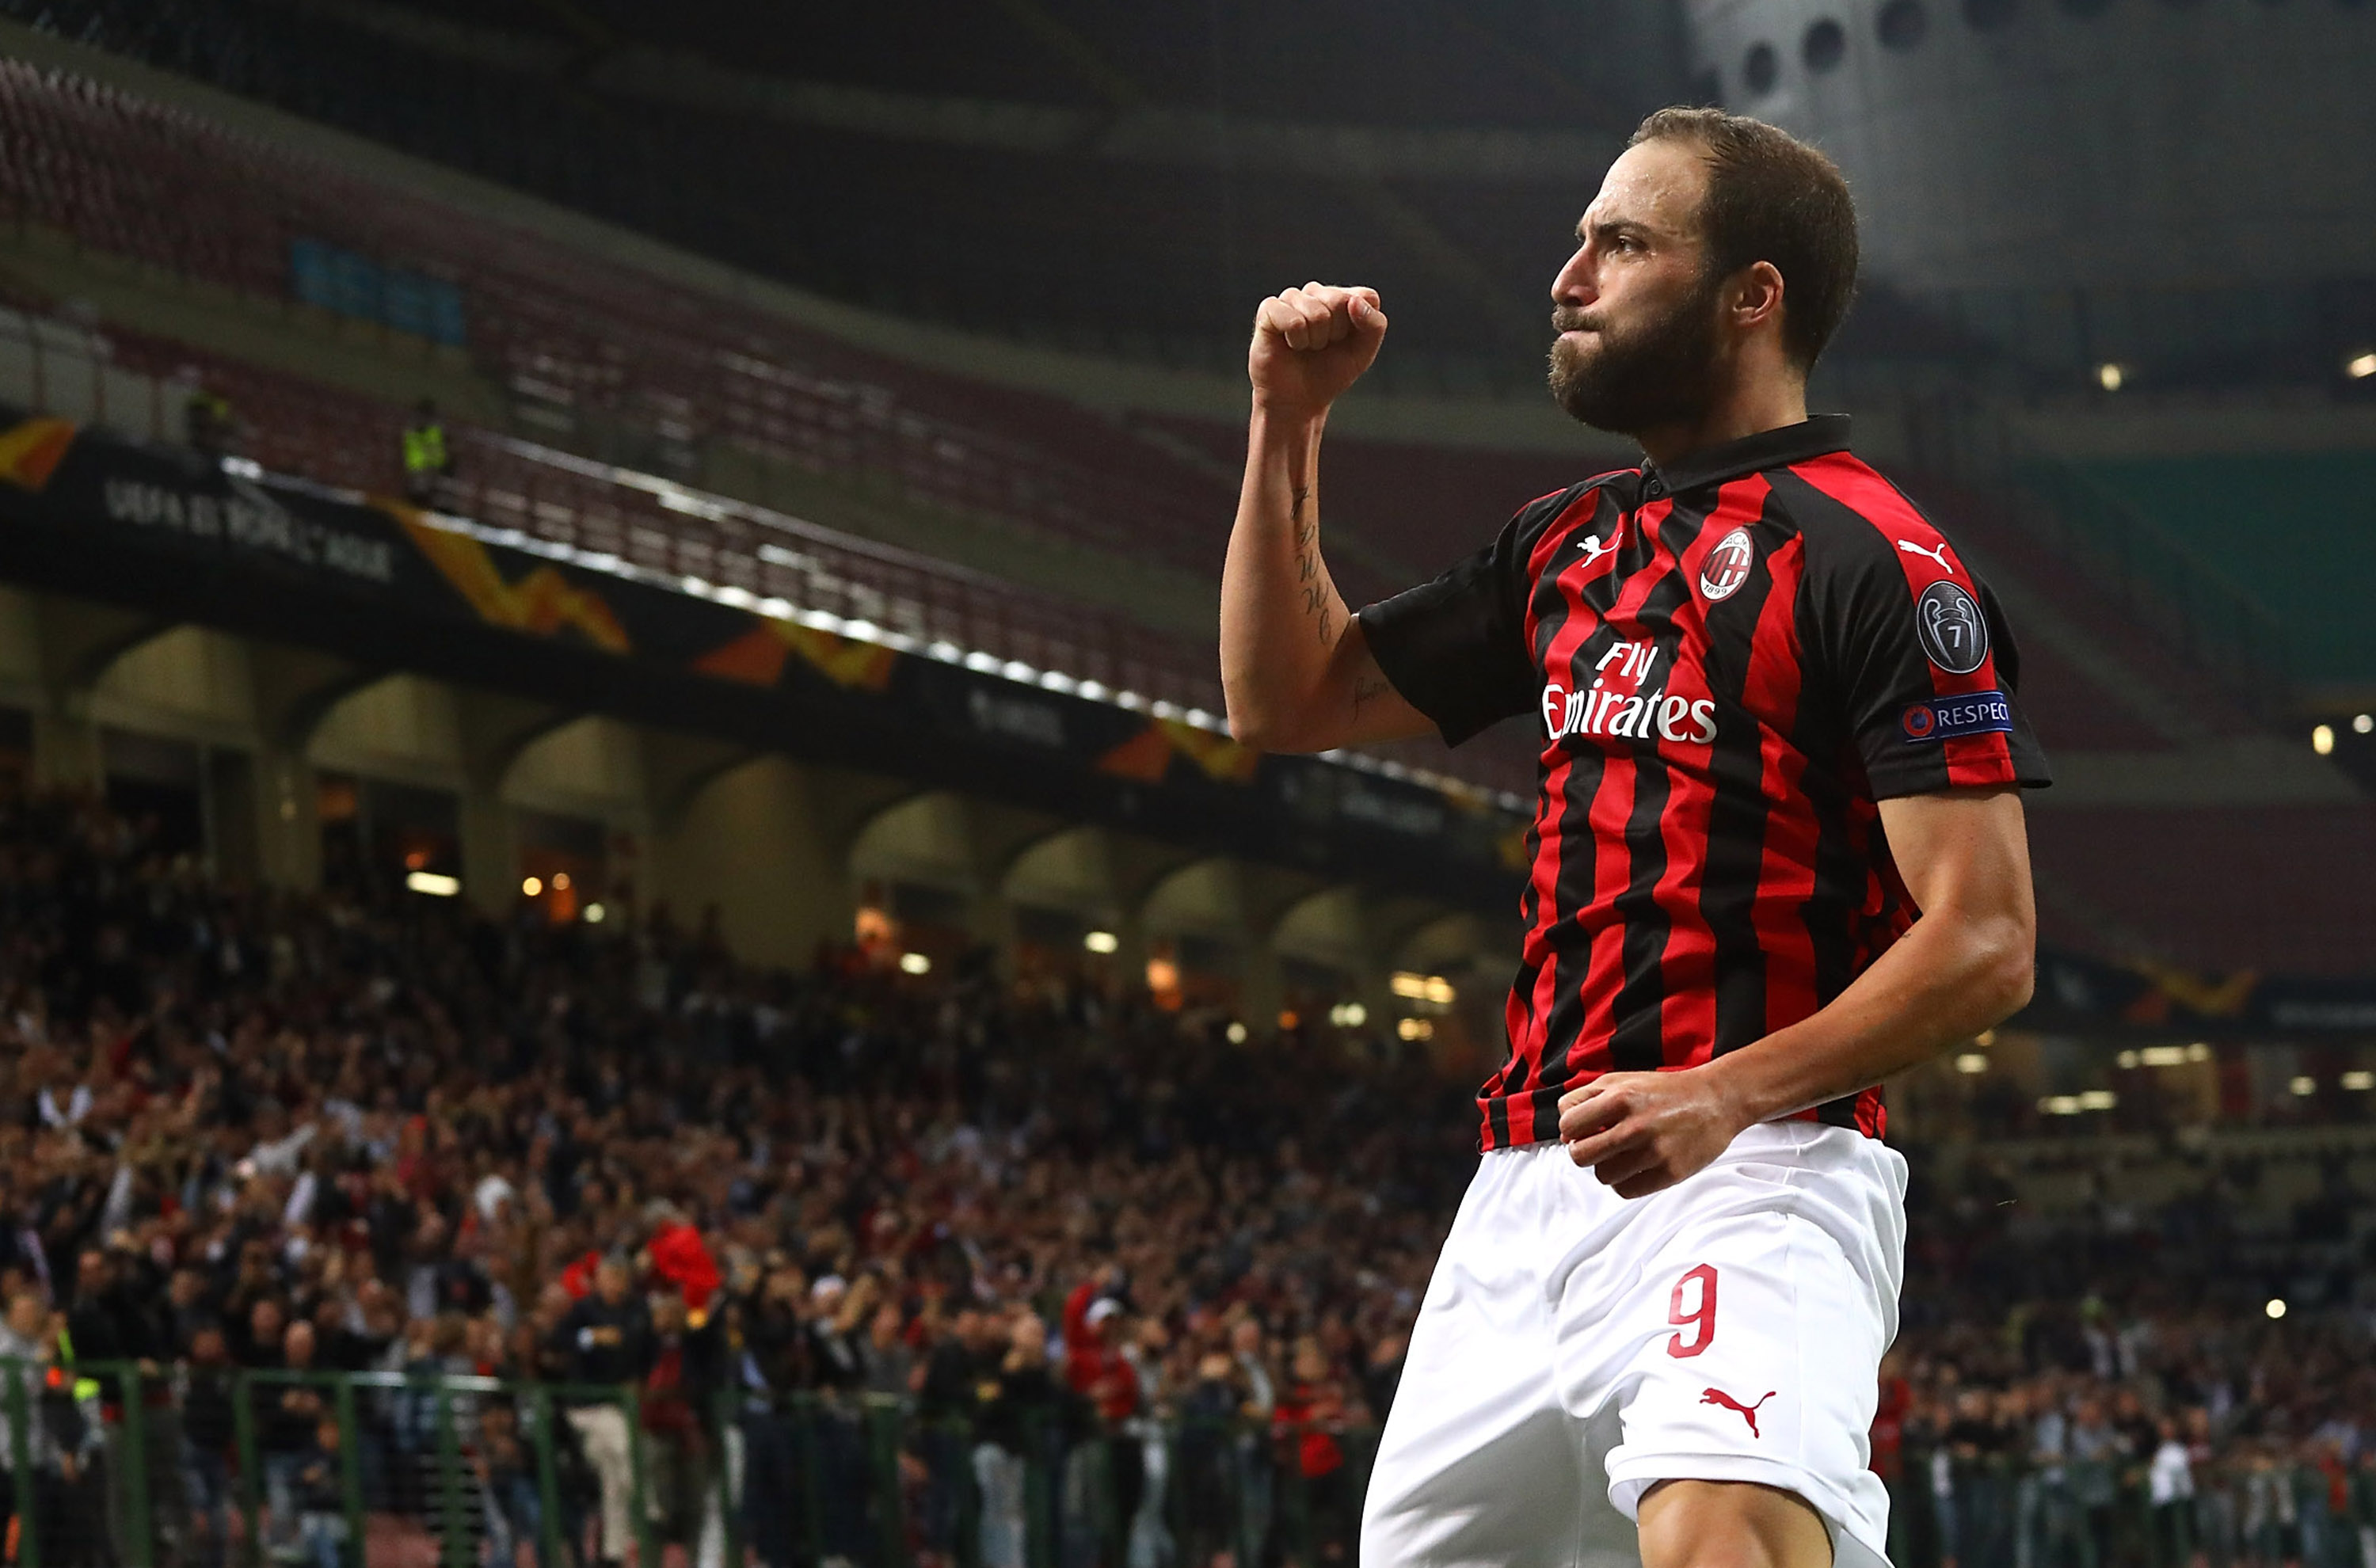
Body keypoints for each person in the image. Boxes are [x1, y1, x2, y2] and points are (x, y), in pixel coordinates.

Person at [1219, 105, 2048, 1568]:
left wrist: (1723, 1093)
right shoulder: (1566, 540)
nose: (1570, 276)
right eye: (1581, 240)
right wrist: (1290, 418)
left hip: (1762, 1165)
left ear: (1751, 294)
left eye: (1622, 243)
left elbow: (1986, 940)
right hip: (1521, 1192)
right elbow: (1288, 700)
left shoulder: (1876, 559)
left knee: (1719, 1537)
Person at [554, 1255, 654, 1567]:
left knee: (613, 1477)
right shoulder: (585, 1309)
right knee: (623, 1445)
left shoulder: (637, 1310)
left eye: (618, 1277)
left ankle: (613, 1552)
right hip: (587, 1407)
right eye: (608, 1277)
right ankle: (646, 1505)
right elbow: (559, 1339)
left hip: (619, 1405)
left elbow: (650, 1349)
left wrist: (639, 1379)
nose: (613, 1284)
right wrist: (592, 1336)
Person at [402, 398, 453, 507]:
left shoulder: (436, 431)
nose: (423, 419)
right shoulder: (411, 432)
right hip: (420, 469)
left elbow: (445, 450)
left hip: (433, 469)